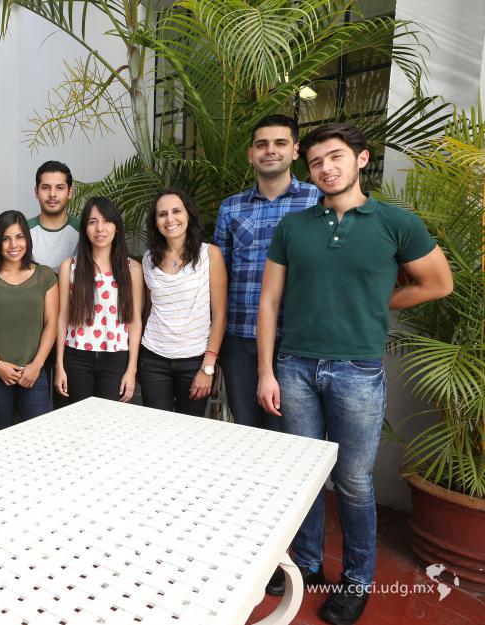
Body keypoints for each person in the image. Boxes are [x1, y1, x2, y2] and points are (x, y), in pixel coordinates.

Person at [257, 123, 452, 624]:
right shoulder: (293, 227)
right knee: (303, 475)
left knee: (354, 482)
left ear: (361, 159)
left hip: (358, 373)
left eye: (336, 157)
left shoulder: (395, 222)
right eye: (317, 161)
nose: (326, 168)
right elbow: (269, 302)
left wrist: (379, 304)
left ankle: (357, 579)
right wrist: (266, 372)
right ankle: (306, 564)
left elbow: (438, 282)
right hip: (295, 367)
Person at [214, 115, 322, 430]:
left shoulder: (317, 201)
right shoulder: (231, 207)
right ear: (251, 154)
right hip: (240, 337)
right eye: (262, 145)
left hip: (296, 341)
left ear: (295, 151)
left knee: (291, 434)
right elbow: (220, 277)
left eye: (280, 143)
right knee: (247, 429)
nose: (270, 150)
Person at [139, 189, 227, 417]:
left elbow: (219, 314)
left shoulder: (210, 254)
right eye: (162, 214)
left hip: (194, 360)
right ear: (155, 222)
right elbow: (150, 308)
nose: (170, 219)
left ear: (188, 214)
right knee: (155, 427)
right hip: (153, 357)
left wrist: (208, 367)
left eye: (176, 211)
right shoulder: (149, 259)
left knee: (189, 430)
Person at [0, 211, 59, 429]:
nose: (13, 245)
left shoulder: (45, 276)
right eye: (6, 238)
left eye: (19, 237)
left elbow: (51, 323)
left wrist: (37, 365)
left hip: (33, 371)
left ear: (27, 239)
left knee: (42, 433)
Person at [55, 197, 142, 404]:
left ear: (116, 227)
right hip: (77, 357)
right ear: (85, 229)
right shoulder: (70, 267)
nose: (100, 228)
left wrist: (131, 369)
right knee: (79, 418)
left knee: (109, 420)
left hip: (116, 358)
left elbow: (135, 322)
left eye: (107, 221)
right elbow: (62, 318)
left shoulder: (132, 269)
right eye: (92, 222)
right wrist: (59, 365)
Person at [27, 160, 79, 270]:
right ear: (36, 192)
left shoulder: (85, 229)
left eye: (59, 188)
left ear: (70, 193)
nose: (52, 194)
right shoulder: (23, 229)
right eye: (45, 187)